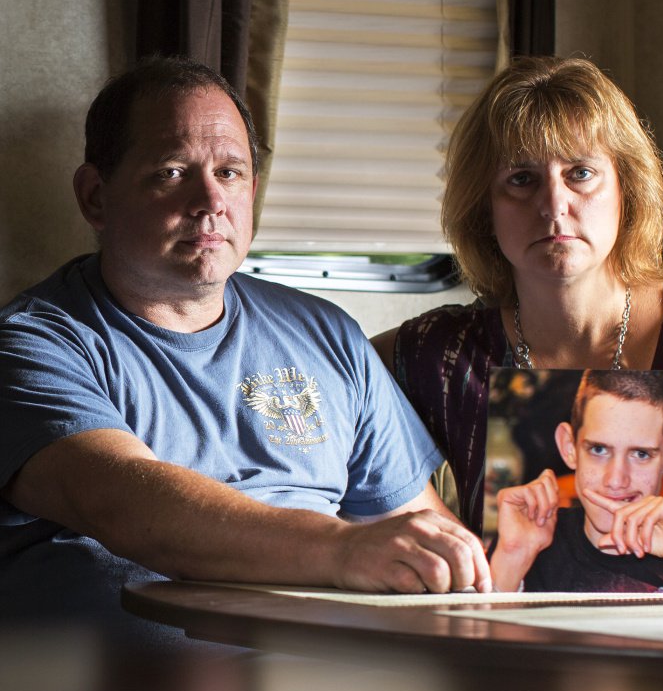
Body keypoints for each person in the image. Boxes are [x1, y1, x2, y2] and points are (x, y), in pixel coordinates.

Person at [0, 56, 491, 644]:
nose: (210, 200)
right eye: (172, 171)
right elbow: (128, 504)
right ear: (95, 197)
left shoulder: (326, 332)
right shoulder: (33, 345)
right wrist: (342, 548)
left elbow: (417, 527)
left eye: (231, 172)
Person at [372, 56, 663, 536]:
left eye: (580, 173)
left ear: (627, 187)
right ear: (485, 209)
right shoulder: (443, 355)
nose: (553, 205)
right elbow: (329, 377)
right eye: (521, 179)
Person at [489, 370, 663, 593]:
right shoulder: (527, 540)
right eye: (598, 449)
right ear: (569, 447)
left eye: (641, 454)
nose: (616, 480)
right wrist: (512, 560)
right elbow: (472, 642)